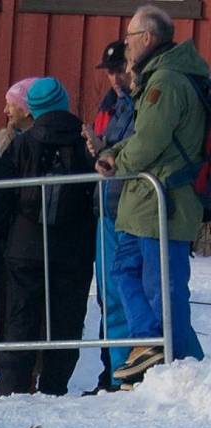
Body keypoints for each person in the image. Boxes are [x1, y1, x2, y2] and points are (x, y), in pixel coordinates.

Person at [97, 4, 206, 381]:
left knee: (163, 286)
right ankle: (151, 345)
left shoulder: (167, 81)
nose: (125, 46)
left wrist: (116, 163)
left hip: (165, 201)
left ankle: (180, 369)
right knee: (125, 270)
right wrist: (113, 152)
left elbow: (150, 142)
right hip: (143, 202)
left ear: (147, 38)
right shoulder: (156, 77)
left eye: (129, 37)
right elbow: (139, 139)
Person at [0, 77, 96, 397]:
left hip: (25, 245)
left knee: (20, 316)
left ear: (33, 109)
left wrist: (1, 237)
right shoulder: (86, 142)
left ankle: (12, 386)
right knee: (66, 318)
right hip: (73, 246)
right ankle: (55, 386)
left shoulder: (22, 143)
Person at [82, 40, 135, 393]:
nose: (115, 78)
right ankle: (116, 374)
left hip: (130, 211)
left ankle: (131, 375)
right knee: (110, 298)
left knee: (129, 296)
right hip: (109, 208)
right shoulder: (113, 106)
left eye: (120, 70)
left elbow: (132, 154)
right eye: (111, 72)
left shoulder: (141, 105)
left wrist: (101, 150)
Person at [0, 78, 37, 156]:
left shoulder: (40, 142)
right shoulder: (1, 137)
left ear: (26, 111)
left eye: (10, 105)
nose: (5, 110)